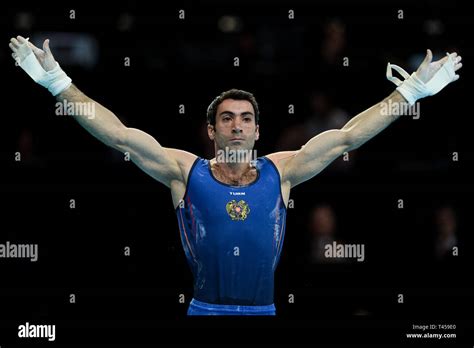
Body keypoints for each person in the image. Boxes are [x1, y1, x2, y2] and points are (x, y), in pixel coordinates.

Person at [9, 35, 462, 315]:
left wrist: (412, 90)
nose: (237, 125)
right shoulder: (183, 171)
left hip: (265, 313)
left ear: (258, 129)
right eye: (227, 118)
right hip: (203, 312)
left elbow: (346, 137)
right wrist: (57, 83)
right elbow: (120, 135)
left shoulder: (282, 170)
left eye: (246, 118)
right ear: (211, 129)